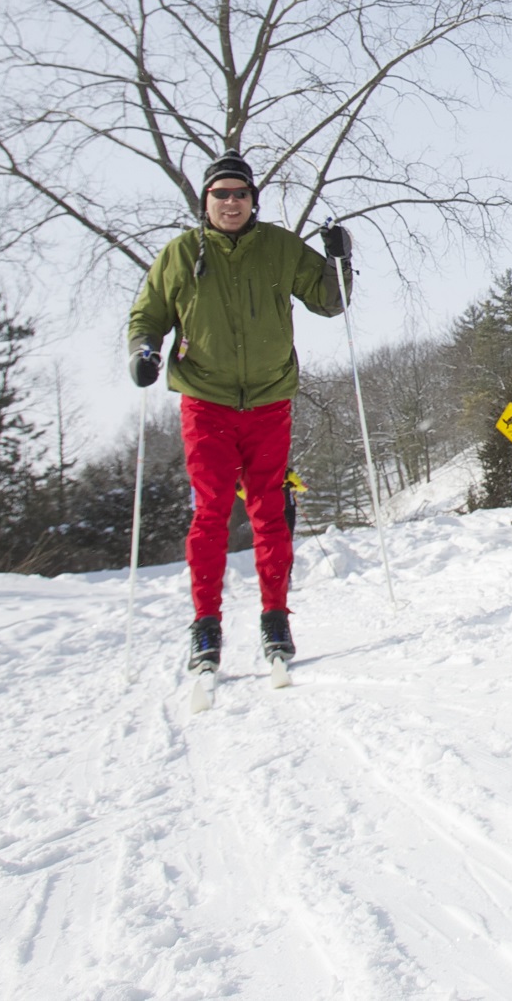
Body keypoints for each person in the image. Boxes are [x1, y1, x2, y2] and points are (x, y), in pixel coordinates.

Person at [126, 153, 351, 675]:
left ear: (253, 200)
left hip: (269, 399)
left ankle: (275, 616)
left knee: (270, 511)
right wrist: (144, 350)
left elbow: (329, 301)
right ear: (206, 201)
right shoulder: (180, 255)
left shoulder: (276, 247)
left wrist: (339, 260)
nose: (231, 203)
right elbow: (149, 314)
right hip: (205, 401)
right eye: (221, 194)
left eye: (240, 194)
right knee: (211, 513)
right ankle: (206, 624)